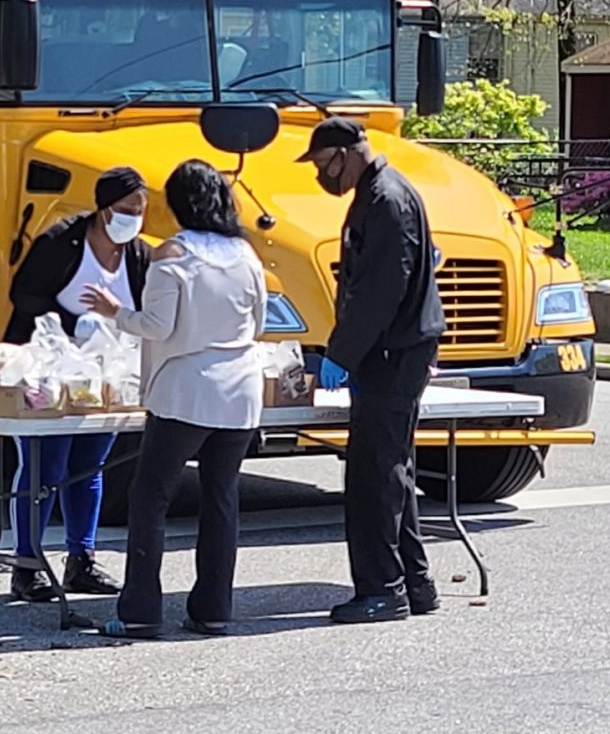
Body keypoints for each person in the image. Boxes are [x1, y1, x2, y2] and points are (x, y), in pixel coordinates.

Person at [82, 160, 266, 639]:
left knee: (151, 497)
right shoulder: (246, 254)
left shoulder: (173, 254)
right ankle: (213, 610)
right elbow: (261, 322)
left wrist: (116, 312)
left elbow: (157, 326)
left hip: (184, 388)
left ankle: (141, 611)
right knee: (222, 498)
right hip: (241, 391)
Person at [299, 117, 447, 624]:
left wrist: (340, 355)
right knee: (393, 469)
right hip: (396, 349)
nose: (323, 176)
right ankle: (415, 581)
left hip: (391, 352)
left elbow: (381, 291)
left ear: (347, 152)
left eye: (324, 165)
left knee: (374, 475)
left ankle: (383, 590)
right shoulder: (383, 194)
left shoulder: (385, 200)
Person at [3, 166, 151, 602]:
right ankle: (26, 564)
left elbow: (141, 308)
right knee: (44, 468)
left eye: (141, 211)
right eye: (127, 210)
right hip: (46, 373)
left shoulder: (138, 254)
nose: (135, 219)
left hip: (102, 377)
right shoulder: (61, 242)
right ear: (105, 210)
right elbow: (23, 295)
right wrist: (73, 324)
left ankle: (80, 560)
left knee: (88, 467)